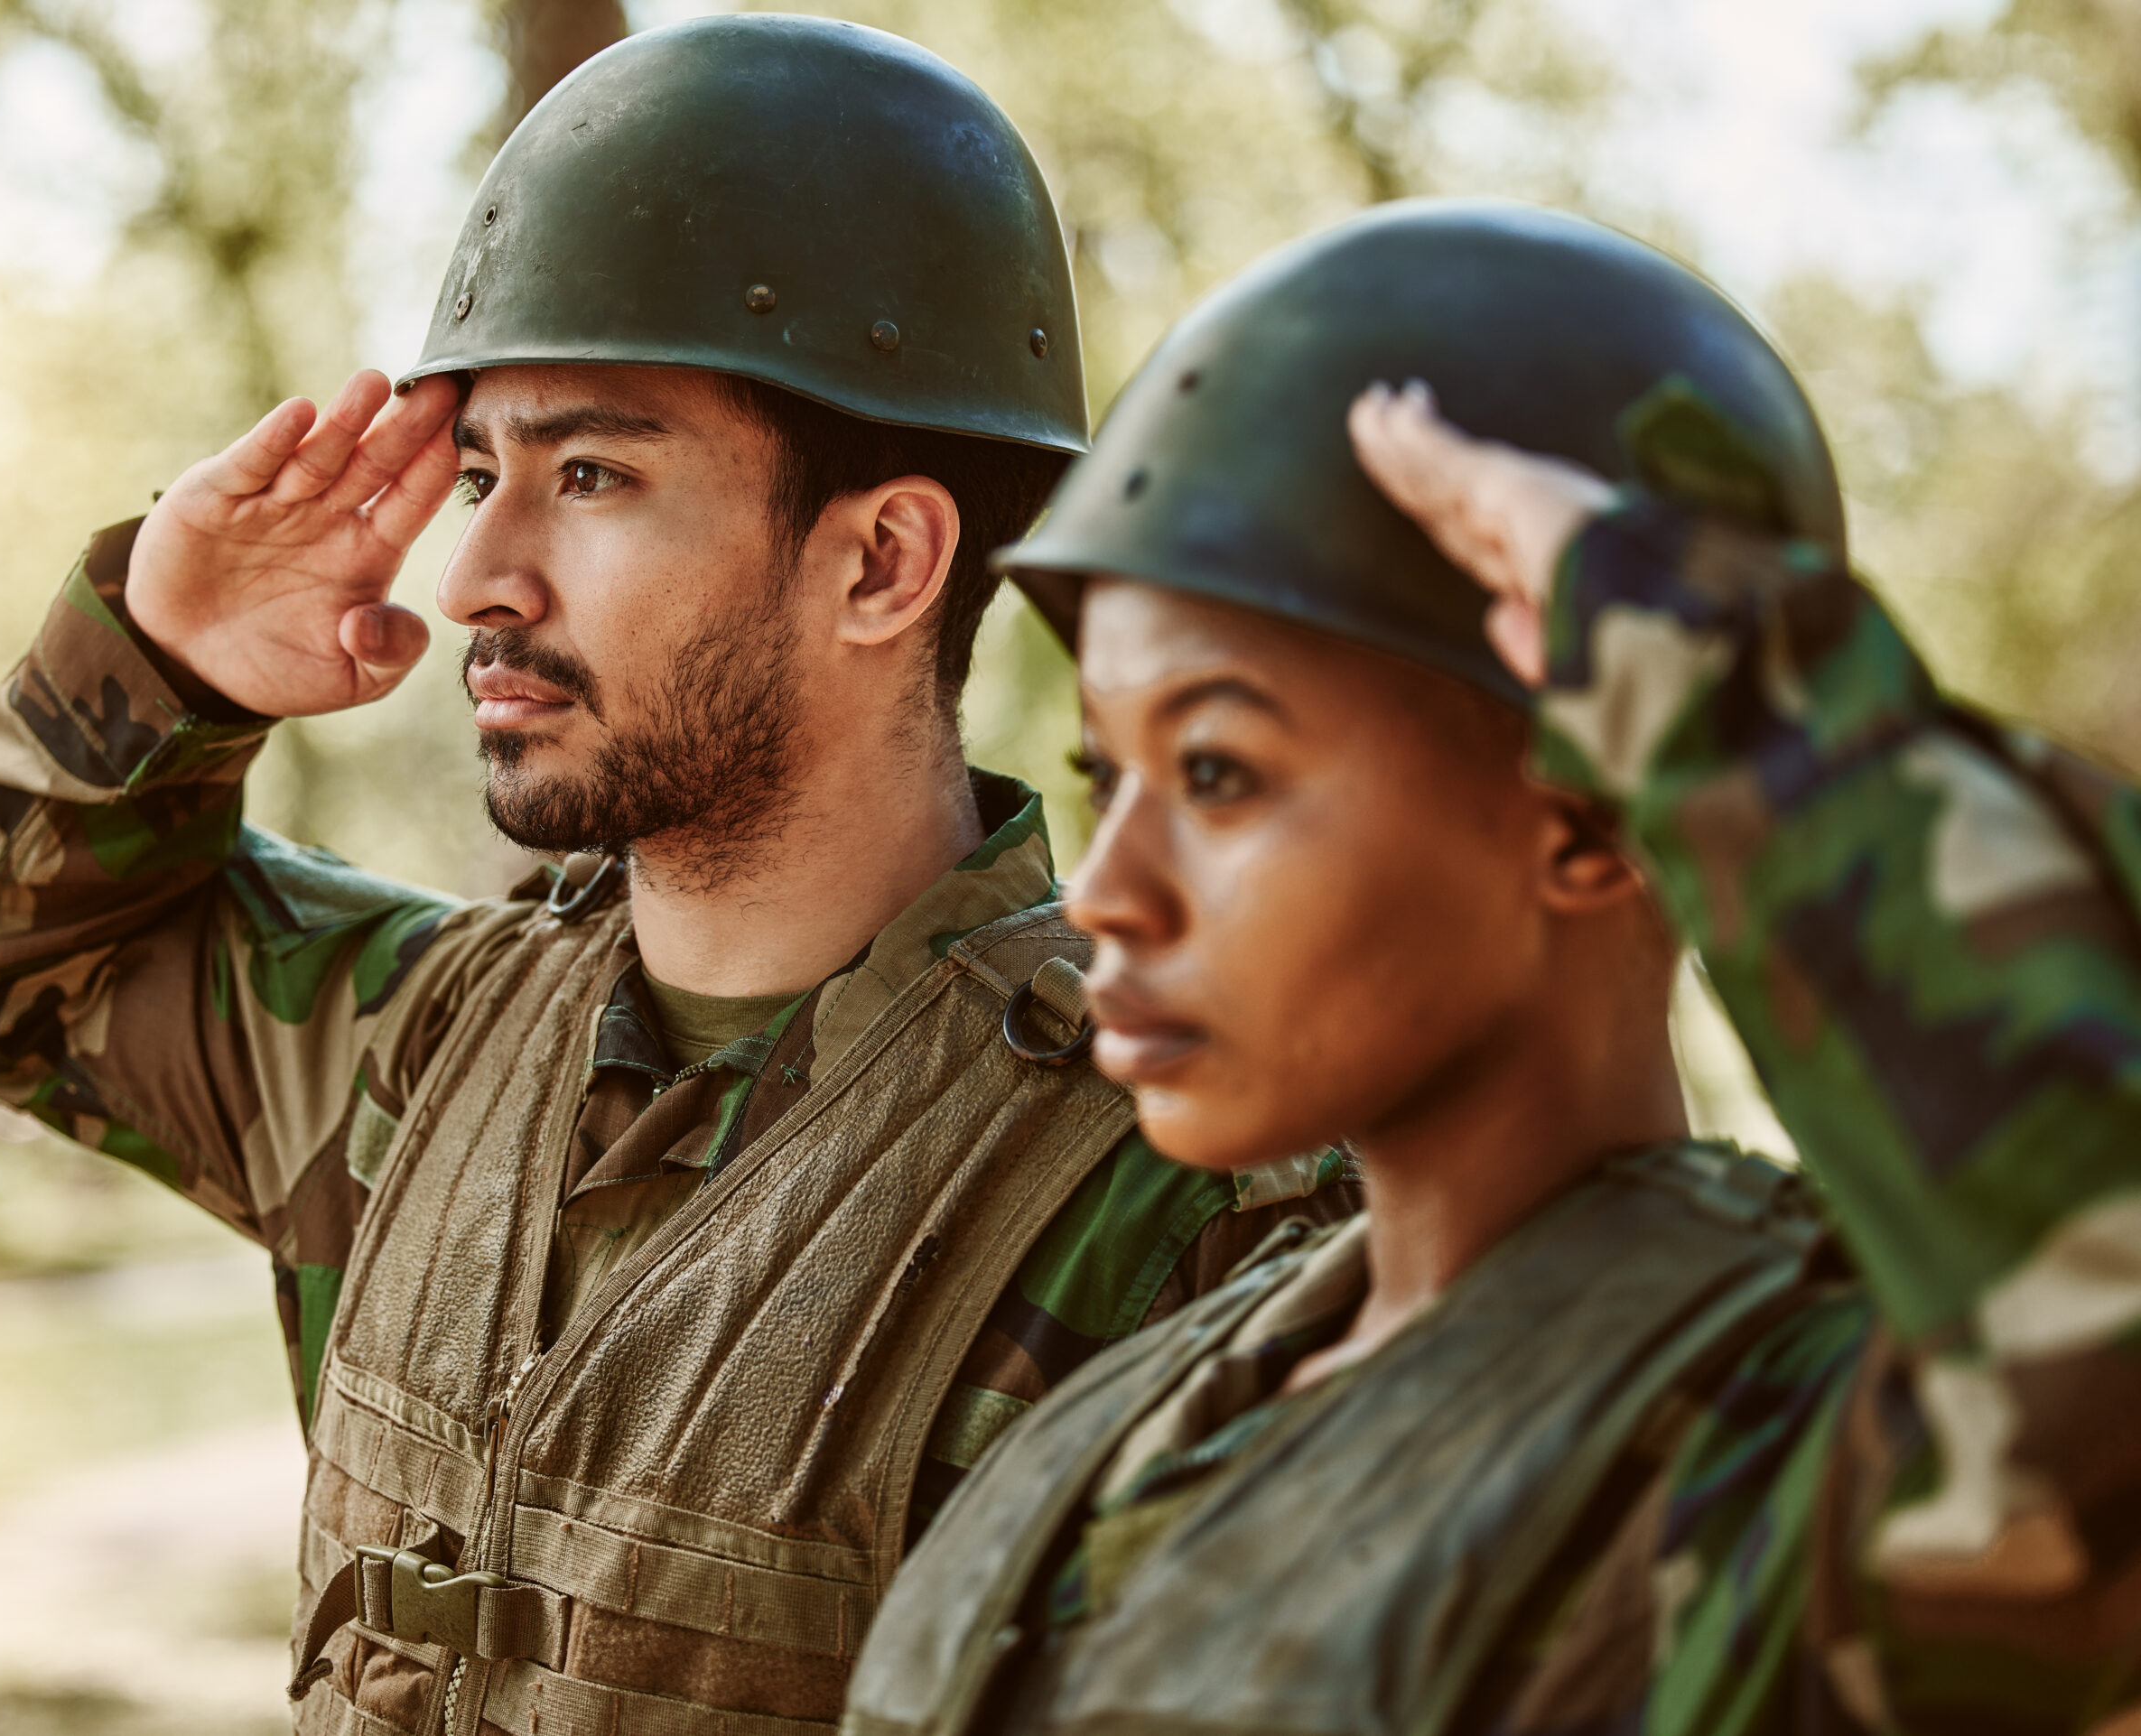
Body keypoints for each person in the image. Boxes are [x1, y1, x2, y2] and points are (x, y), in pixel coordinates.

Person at [0, 19, 1353, 1736]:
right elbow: (24, 962)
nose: (476, 579)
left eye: (591, 475)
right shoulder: (428, 1044)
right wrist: (165, 658)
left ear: (883, 560)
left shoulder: (1197, 1210)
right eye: (477, 475)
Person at [843, 200, 2141, 1735]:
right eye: (1106, 772)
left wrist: (1690, 660)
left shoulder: (1775, 1456)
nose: (1110, 888)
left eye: (1218, 774)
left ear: (1592, 811)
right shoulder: (1129, 1417)